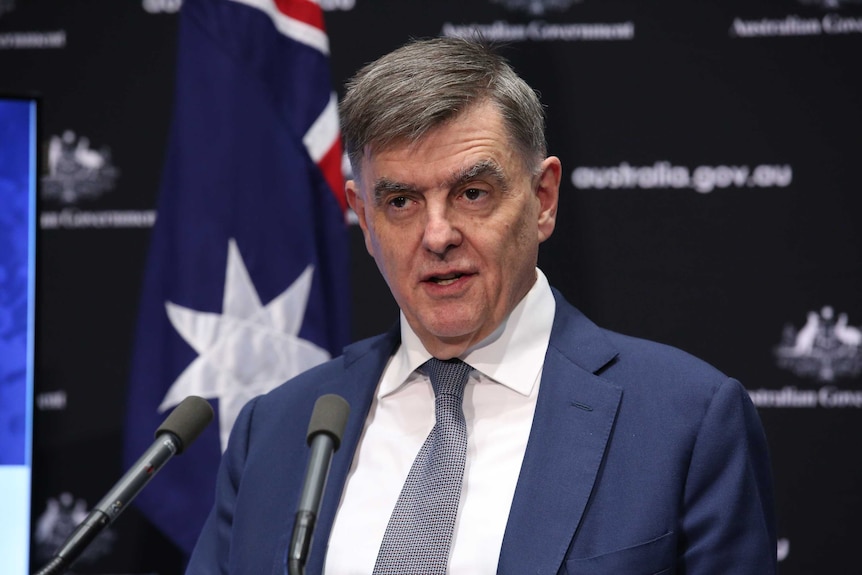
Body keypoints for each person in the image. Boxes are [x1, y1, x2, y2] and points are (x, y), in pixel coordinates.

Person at [186, 36, 776, 574]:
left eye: (472, 193)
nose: (437, 235)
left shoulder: (684, 422)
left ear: (542, 199)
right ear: (364, 220)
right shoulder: (279, 429)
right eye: (400, 202)